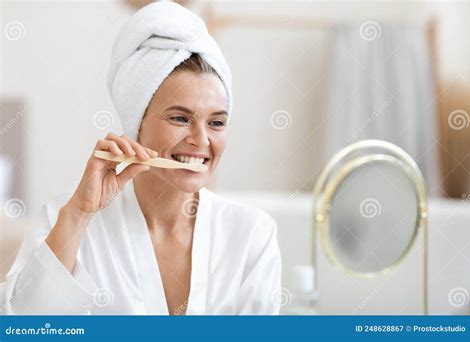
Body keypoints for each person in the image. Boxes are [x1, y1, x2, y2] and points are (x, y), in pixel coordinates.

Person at [1, 2, 281, 315]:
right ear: (136, 124)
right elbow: (26, 327)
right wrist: (79, 213)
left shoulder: (252, 235)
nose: (201, 140)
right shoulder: (64, 221)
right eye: (179, 118)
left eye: (216, 122)